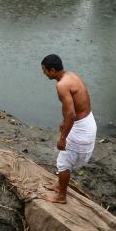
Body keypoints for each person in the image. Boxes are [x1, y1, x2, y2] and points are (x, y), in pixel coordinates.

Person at [40, 54, 96, 204]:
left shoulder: (61, 85)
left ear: (52, 70)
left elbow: (71, 114)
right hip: (88, 121)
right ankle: (59, 185)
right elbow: (76, 108)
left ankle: (61, 197)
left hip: (82, 128)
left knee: (63, 162)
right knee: (65, 158)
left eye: (44, 71)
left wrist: (63, 138)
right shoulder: (71, 76)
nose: (44, 74)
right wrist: (64, 123)